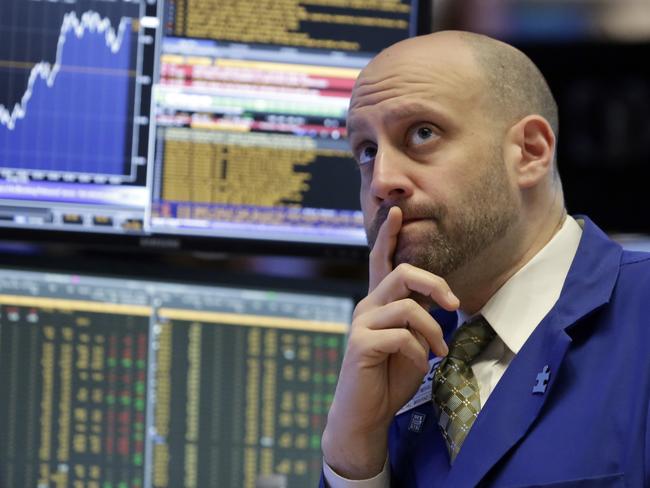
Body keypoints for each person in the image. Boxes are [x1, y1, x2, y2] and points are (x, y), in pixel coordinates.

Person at [320, 30, 650, 487]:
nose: (382, 180)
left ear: (529, 152)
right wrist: (354, 454)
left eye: (422, 133)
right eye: (367, 151)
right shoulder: (394, 360)